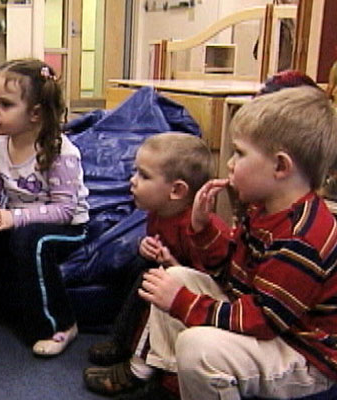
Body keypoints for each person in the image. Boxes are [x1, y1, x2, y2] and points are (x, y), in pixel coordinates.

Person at [131, 85, 337, 400]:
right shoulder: (262, 209)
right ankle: (172, 385)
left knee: (199, 348)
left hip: (303, 354)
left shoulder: (301, 237)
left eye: (239, 153)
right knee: (171, 278)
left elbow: (262, 321)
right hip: (268, 322)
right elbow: (228, 274)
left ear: (280, 167)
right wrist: (203, 230)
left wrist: (184, 302)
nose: (229, 163)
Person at [0, 58, 89, 357]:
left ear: (35, 113)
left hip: (64, 228)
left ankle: (58, 324)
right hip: (18, 221)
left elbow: (64, 210)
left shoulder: (59, 152)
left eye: (5, 104)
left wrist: (15, 218)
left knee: (32, 242)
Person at [83, 132, 222, 397]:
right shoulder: (158, 213)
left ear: (177, 191)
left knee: (155, 283)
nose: (132, 181)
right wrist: (145, 248)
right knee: (141, 270)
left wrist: (170, 263)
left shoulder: (196, 224)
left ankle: (137, 368)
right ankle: (123, 341)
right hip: (172, 280)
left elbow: (208, 277)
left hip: (195, 302)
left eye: (144, 176)